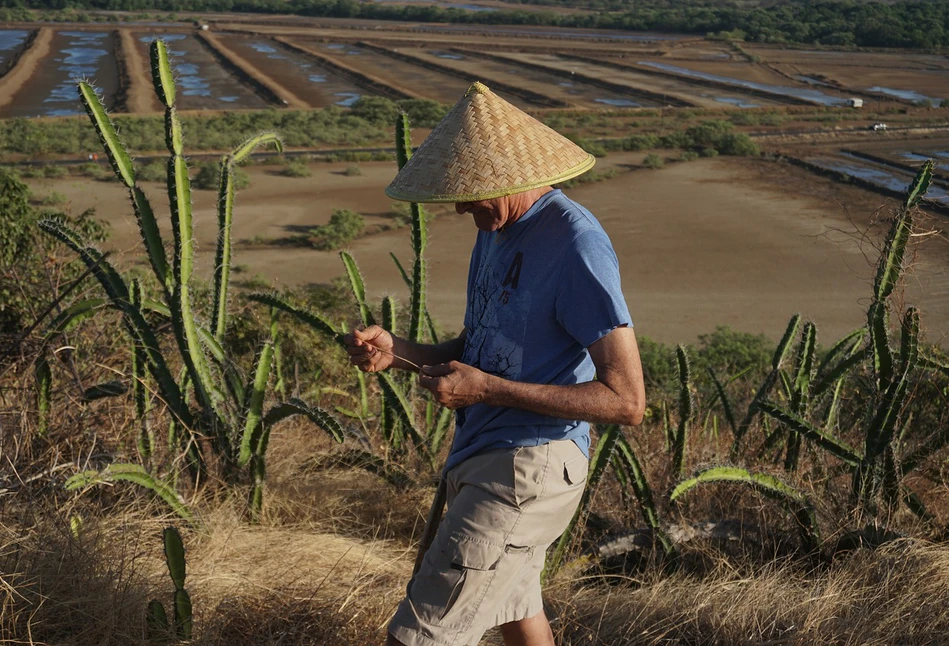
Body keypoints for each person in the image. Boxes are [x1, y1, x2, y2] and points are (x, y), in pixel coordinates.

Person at [344, 82, 646, 646]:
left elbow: (626, 401)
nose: (460, 206)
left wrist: (487, 390)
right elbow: (480, 346)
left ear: (513, 178)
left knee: (420, 633)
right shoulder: (497, 230)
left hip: (529, 465)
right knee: (517, 611)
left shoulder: (576, 244)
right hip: (485, 455)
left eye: (470, 192)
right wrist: (397, 351)